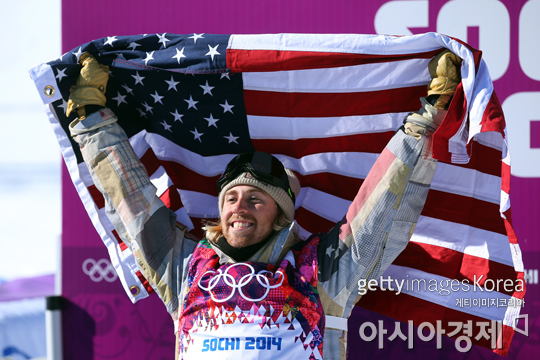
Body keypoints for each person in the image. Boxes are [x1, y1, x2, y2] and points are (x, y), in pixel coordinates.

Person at [66, 50, 461, 360]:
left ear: (280, 217)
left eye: (257, 200)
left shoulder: (322, 271)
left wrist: (426, 121)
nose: (240, 208)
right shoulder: (184, 270)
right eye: (232, 198)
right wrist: (91, 124)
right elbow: (130, 200)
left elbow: (383, 209)